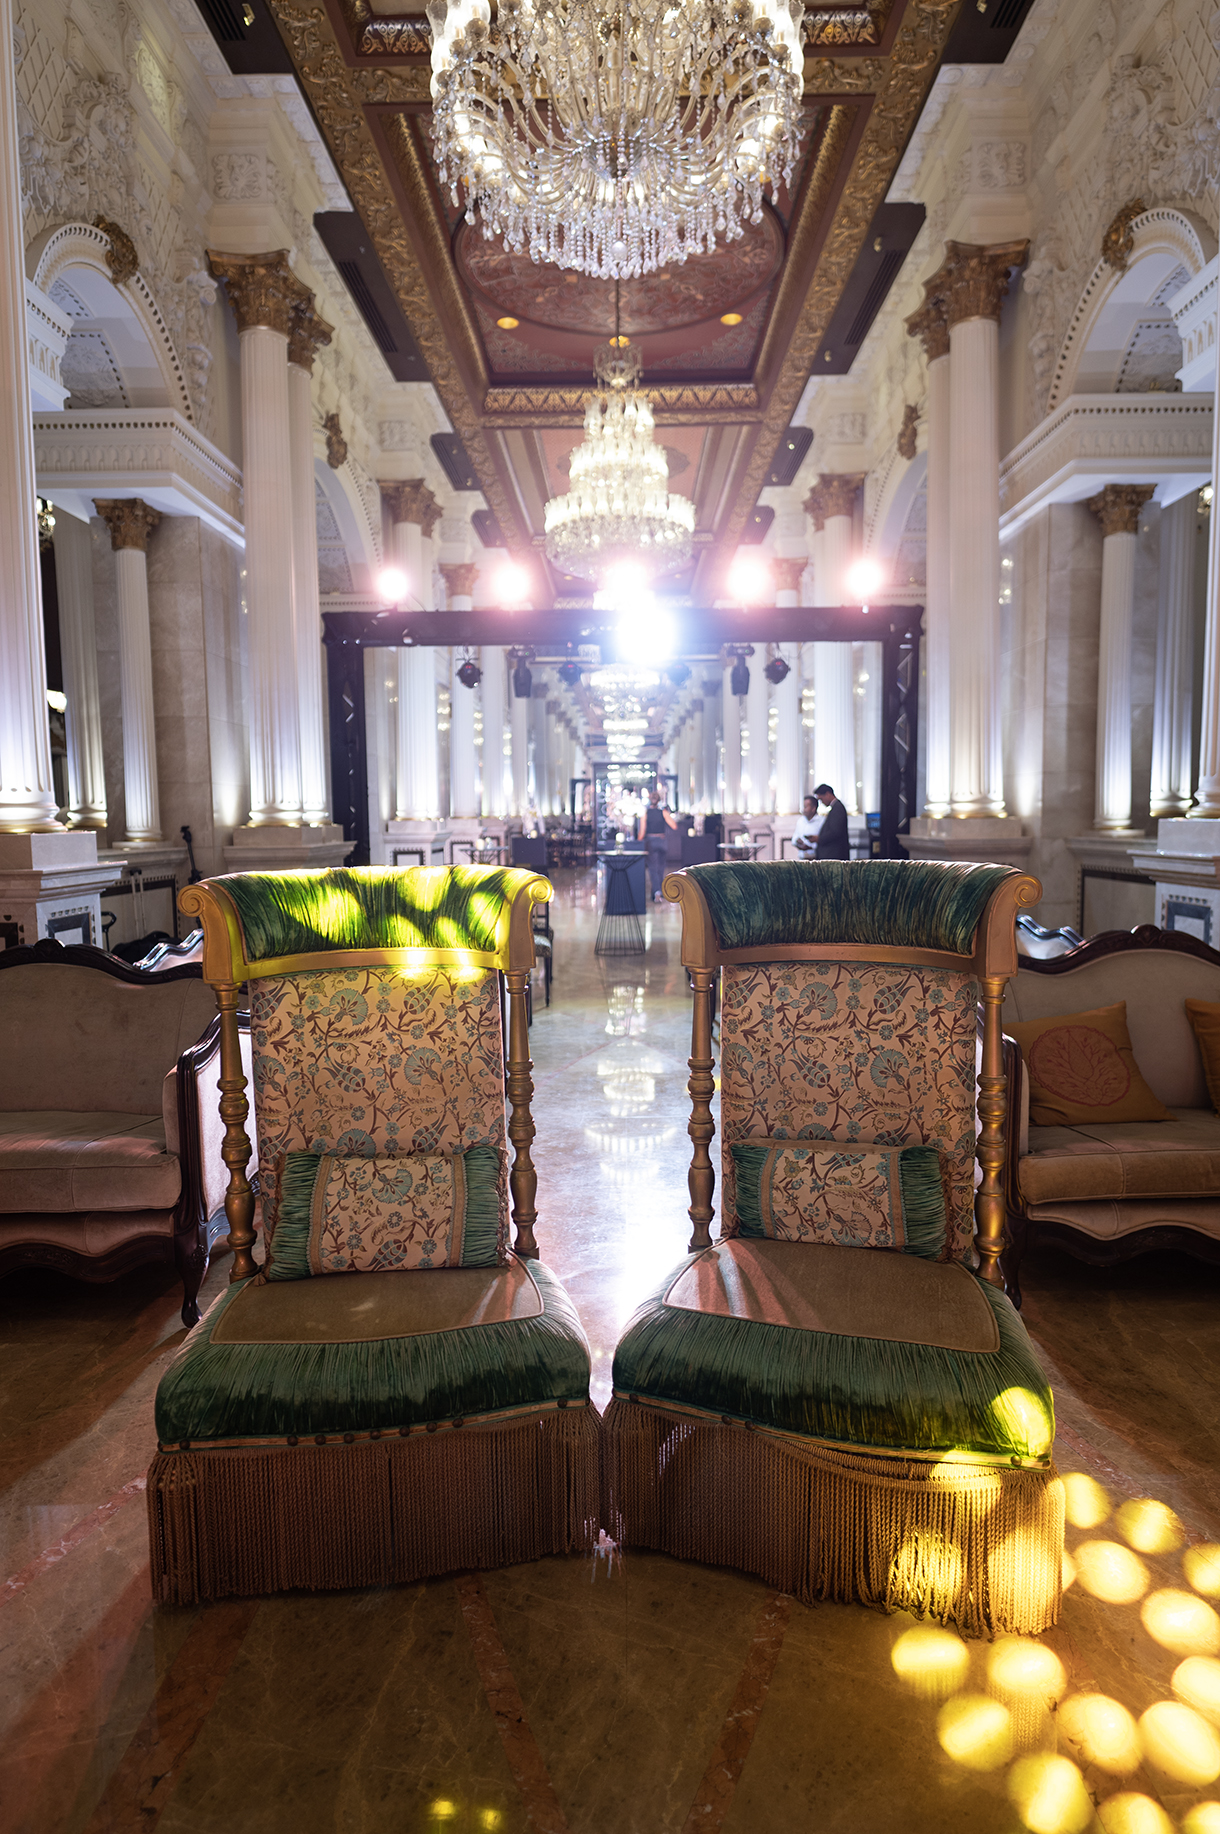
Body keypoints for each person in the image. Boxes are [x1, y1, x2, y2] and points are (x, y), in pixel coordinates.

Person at [638, 789, 678, 901]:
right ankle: (661, 890)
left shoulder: (645, 814)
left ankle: (656, 892)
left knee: (652, 868)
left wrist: (637, 841)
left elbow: (641, 832)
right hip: (662, 841)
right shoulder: (663, 812)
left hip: (651, 841)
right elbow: (674, 826)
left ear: (650, 800)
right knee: (661, 867)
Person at [812, 783, 851, 860]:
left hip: (834, 854)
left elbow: (835, 831)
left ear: (828, 794)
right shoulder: (835, 808)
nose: (821, 802)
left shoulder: (838, 808)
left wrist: (819, 839)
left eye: (821, 799)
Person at [790, 794, 823, 861]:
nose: (803, 810)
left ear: (813, 808)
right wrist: (798, 842)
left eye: (805, 807)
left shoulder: (821, 821)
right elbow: (794, 838)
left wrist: (810, 847)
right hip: (802, 859)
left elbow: (823, 840)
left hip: (816, 859)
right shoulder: (801, 821)